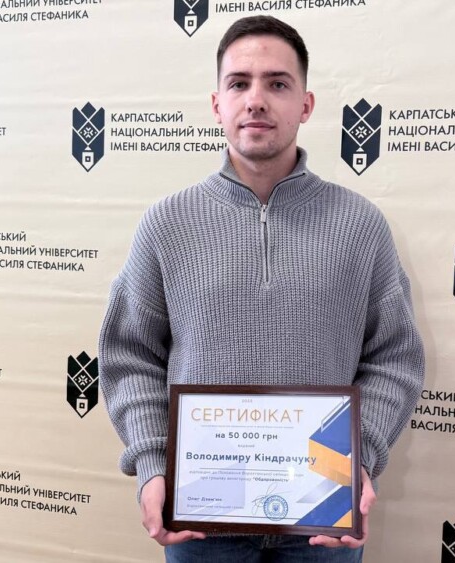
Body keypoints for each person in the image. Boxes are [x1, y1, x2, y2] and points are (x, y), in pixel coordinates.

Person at [99, 15, 425, 563]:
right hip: (201, 522)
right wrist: (154, 465)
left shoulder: (360, 225)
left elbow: (394, 357)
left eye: (277, 83)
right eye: (239, 83)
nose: (256, 100)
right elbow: (130, 355)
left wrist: (358, 459)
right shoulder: (167, 224)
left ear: (306, 104)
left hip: (321, 521)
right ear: (217, 104)